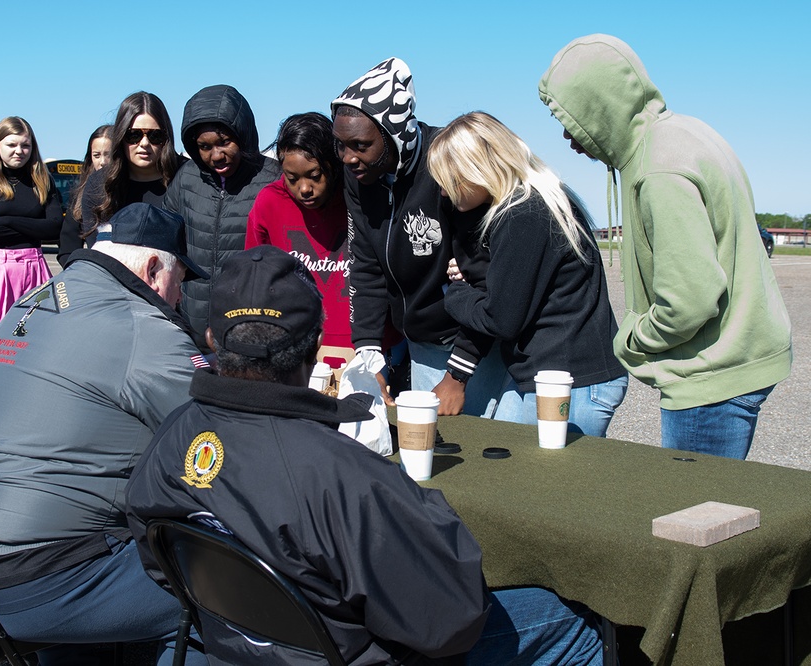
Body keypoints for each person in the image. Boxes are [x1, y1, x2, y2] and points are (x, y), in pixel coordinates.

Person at [125, 246, 603, 665]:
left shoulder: (173, 436)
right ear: (316, 346)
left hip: (238, 646)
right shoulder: (344, 477)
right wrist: (427, 511)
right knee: (579, 625)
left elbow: (158, 559)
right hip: (351, 655)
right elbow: (452, 620)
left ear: (210, 340)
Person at [0, 203, 209, 666]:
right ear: (153, 269)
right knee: (224, 590)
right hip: (20, 588)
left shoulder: (32, 302)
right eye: (180, 281)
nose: (178, 298)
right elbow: (221, 438)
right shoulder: (144, 329)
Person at [539, 34, 792, 457]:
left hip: (711, 377)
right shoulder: (687, 132)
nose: (567, 136)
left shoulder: (658, 167)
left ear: (601, 107)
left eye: (573, 119)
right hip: (737, 360)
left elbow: (689, 302)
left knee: (695, 515)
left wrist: (631, 339)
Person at [427, 111, 628, 436]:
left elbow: (502, 318)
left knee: (551, 483)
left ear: (479, 168)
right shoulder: (536, 200)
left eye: (450, 181)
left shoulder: (524, 214)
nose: (445, 194)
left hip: (572, 379)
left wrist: (456, 293)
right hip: (550, 373)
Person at [331, 57, 508, 417]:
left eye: (361, 145)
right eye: (341, 145)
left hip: (474, 345)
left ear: (394, 134)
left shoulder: (446, 163)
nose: (348, 158)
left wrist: (458, 375)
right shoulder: (359, 177)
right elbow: (365, 264)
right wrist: (368, 353)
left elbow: (484, 280)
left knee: (479, 455)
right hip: (421, 343)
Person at [164, 84, 280, 347]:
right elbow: (167, 241)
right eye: (204, 147)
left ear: (243, 134)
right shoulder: (186, 179)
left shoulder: (274, 178)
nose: (216, 155)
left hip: (250, 327)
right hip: (190, 328)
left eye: (224, 142)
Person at [246, 112, 352, 353]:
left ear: (334, 163)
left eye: (315, 176)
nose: (304, 189)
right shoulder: (269, 202)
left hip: (361, 346)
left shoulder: (356, 198)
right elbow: (255, 277)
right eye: (292, 178)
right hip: (295, 342)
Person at [0, 116, 63, 335]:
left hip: (35, 266)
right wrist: (34, 227)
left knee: (39, 336)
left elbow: (54, 228)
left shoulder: (43, 180)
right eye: (11, 144)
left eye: (25, 145)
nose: (19, 151)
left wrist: (6, 221)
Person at [70, 92, 186, 265]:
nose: (144, 143)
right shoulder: (99, 184)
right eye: (134, 135)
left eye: (155, 136)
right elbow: (97, 251)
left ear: (166, 138)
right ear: (120, 136)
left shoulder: (186, 176)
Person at [56, 124, 112, 266]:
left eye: (108, 155)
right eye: (96, 155)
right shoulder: (80, 196)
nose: (102, 162)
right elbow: (67, 250)